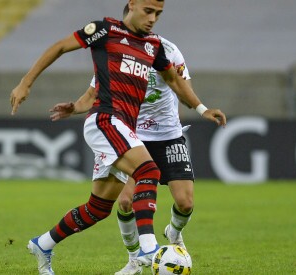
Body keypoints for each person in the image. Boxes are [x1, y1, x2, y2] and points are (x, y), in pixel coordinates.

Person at [10, 0, 226, 274]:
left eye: (158, 14)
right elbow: (60, 46)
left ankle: (43, 244)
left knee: (98, 208)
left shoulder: (155, 46)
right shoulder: (104, 30)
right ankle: (147, 249)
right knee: (148, 170)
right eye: (148, 11)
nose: (153, 18)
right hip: (105, 120)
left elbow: (174, 81)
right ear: (132, 5)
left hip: (125, 127)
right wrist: (25, 83)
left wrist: (202, 109)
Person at [50, 34, 196, 275]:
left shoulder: (167, 50)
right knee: (126, 201)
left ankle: (174, 233)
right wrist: (74, 108)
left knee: (185, 202)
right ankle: (134, 260)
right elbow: (92, 94)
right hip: (131, 135)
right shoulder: (114, 52)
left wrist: (196, 108)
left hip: (168, 134)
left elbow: (183, 87)